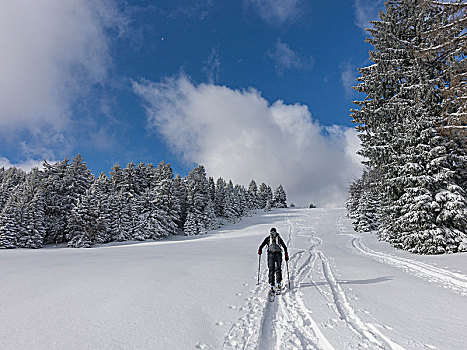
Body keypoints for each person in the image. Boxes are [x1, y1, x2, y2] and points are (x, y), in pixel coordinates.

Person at [258, 227, 289, 293]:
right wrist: (286, 256)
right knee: (278, 269)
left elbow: (261, 246)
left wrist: (260, 251)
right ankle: (278, 283)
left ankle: (271, 284)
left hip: (271, 255)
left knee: (271, 269)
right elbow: (284, 247)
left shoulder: (268, 238)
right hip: (278, 255)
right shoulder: (279, 238)